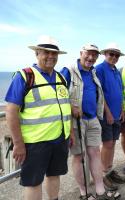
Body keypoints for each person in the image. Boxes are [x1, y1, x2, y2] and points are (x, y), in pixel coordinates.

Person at [5, 35, 73, 200]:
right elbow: (11, 111)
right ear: (37, 53)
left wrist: (70, 134)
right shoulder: (24, 76)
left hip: (59, 139)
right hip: (35, 143)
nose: (50, 56)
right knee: (33, 182)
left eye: (54, 53)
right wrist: (19, 143)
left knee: (54, 176)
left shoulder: (61, 78)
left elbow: (65, 107)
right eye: (46, 52)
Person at [60, 44, 120, 200]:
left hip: (93, 118)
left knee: (95, 153)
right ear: (81, 53)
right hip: (76, 121)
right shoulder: (68, 71)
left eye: (94, 55)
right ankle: (84, 193)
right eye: (88, 54)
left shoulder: (93, 72)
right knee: (79, 156)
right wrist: (70, 108)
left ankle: (100, 190)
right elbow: (58, 96)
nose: (91, 58)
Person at [95, 43, 125, 189]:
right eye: (111, 54)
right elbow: (99, 93)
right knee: (107, 144)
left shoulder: (116, 71)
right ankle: (102, 175)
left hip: (117, 113)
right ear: (105, 54)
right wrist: (107, 112)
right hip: (106, 114)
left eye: (116, 55)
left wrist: (122, 109)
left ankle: (109, 170)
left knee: (113, 143)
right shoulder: (100, 69)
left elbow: (119, 91)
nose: (114, 57)